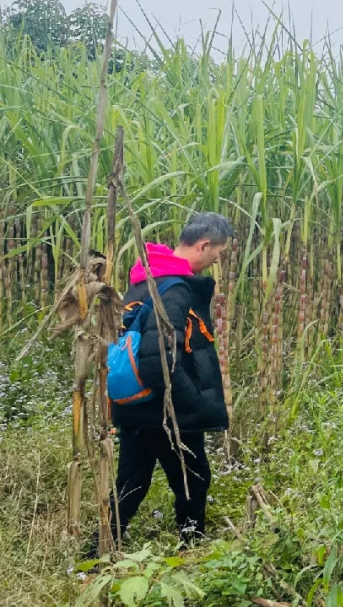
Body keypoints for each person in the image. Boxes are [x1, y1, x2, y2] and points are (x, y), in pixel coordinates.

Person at [94, 212, 234, 552]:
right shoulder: (174, 291)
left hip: (135, 406)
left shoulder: (145, 281)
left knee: (132, 480)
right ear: (203, 245)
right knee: (193, 478)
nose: (218, 258)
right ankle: (191, 546)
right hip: (166, 411)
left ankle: (98, 552)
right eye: (218, 251)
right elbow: (157, 362)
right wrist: (193, 404)